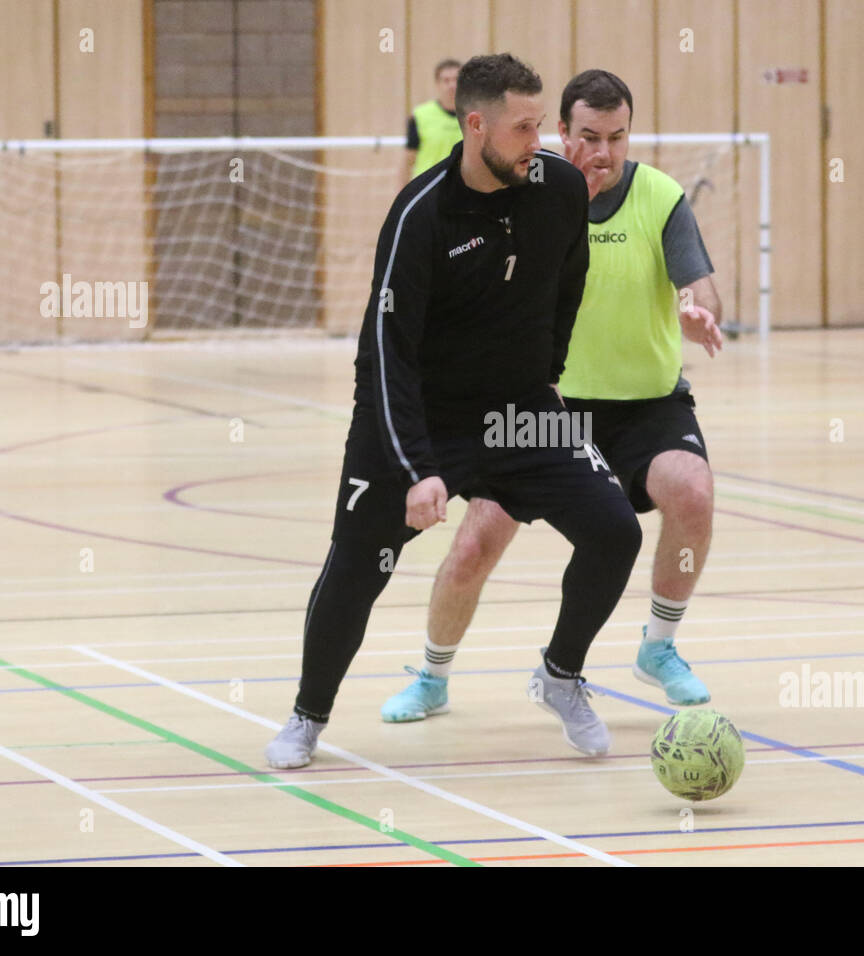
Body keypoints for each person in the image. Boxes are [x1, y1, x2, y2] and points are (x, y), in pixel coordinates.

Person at [265, 54, 642, 769]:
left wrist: (547, 379)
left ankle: (560, 676)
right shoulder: (420, 213)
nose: (542, 140)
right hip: (415, 420)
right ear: (476, 126)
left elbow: (570, 280)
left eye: (541, 125)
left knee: (614, 529)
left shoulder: (559, 188)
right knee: (357, 566)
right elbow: (386, 351)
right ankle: (307, 717)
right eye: (524, 126)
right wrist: (417, 468)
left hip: (520, 413)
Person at [381, 69, 723, 725]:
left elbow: (700, 286)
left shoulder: (660, 197)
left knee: (693, 490)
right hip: (548, 411)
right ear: (560, 134)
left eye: (617, 137)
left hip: (645, 407)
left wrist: (696, 310)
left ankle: (659, 647)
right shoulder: (527, 196)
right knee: (477, 541)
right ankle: (432, 675)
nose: (603, 152)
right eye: (589, 136)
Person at [405, 58, 462, 180]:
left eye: (456, 80)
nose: (452, 85)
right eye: (446, 80)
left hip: (462, 189)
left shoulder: (475, 116)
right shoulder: (420, 116)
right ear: (437, 84)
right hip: (428, 187)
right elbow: (408, 160)